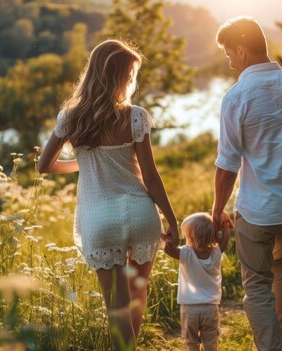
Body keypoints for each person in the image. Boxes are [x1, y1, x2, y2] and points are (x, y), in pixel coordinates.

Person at [37, 39, 178, 351]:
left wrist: (83, 163)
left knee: (116, 306)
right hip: (141, 212)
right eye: (128, 75)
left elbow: (43, 165)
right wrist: (173, 221)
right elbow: (151, 177)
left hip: (100, 218)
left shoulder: (71, 118)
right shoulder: (135, 117)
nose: (130, 81)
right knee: (136, 293)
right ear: (117, 76)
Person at [210, 16, 282, 351]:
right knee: (280, 265)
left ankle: (272, 348)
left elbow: (227, 165)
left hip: (256, 211)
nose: (230, 62)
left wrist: (217, 210)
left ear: (243, 51)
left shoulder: (236, 97)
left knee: (257, 285)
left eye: (230, 54)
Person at [162, 212, 230, 351]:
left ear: (190, 237)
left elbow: (168, 250)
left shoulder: (186, 253)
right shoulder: (216, 253)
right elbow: (224, 242)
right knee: (211, 342)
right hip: (211, 307)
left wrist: (169, 239)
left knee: (191, 342)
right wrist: (225, 229)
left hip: (189, 308)